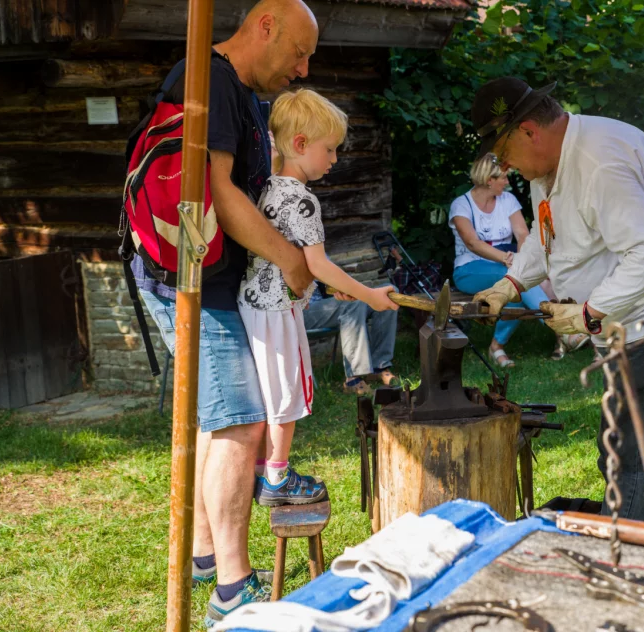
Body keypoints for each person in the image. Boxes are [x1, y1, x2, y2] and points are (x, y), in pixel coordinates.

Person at [132, 0, 321, 625]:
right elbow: (215, 191)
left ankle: (206, 555)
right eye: (298, 52)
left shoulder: (240, 93)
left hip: (211, 277)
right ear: (265, 26)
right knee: (241, 422)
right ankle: (233, 591)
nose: (302, 69)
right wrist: (291, 260)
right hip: (190, 281)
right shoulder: (208, 81)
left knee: (222, 422)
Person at [470, 77, 644, 530]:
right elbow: (547, 236)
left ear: (529, 131)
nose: (502, 165)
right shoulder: (548, 166)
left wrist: (588, 313)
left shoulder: (598, 161)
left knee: (628, 463)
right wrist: (509, 283)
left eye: (503, 152)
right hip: (637, 321)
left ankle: (619, 563)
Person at [240, 87, 397, 507]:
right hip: (278, 312)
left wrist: (327, 286)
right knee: (286, 395)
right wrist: (368, 295)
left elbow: (298, 262)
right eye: (330, 149)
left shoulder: (267, 189)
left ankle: (263, 470)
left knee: (268, 391)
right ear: (300, 144)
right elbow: (318, 263)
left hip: (253, 308)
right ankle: (277, 478)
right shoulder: (303, 200)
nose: (335, 159)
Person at [449, 154, 585, 367]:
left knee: (518, 284)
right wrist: (507, 260)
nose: (507, 182)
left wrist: (522, 261)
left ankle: (496, 347)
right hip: (469, 269)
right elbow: (473, 243)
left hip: (507, 263)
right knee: (515, 279)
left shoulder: (508, 200)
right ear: (489, 180)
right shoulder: (461, 205)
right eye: (503, 177)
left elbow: (522, 234)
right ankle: (561, 329)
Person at [303, 284, 400, 396]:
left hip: (324, 302)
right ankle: (353, 380)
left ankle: (379, 366)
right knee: (353, 301)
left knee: (387, 294)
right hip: (300, 310)